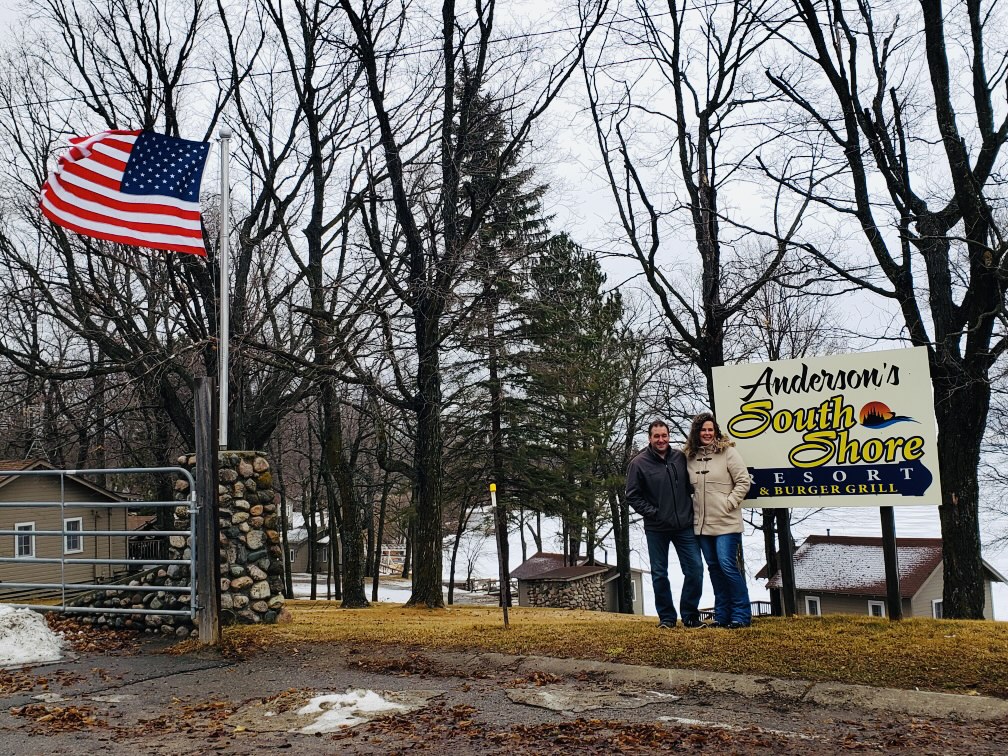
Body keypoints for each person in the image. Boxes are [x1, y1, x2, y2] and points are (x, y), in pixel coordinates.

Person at [626, 419, 704, 629]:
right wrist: (655, 514)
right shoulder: (639, 463)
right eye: (656, 436)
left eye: (664, 436)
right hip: (657, 528)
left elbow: (691, 485)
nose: (661, 440)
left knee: (695, 569)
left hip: (684, 526)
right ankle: (667, 618)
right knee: (660, 574)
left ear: (668, 436)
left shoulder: (680, 457)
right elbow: (632, 496)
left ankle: (689, 615)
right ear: (649, 438)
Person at [685, 411, 752, 629]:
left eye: (710, 430)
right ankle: (722, 616)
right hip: (702, 526)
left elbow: (743, 481)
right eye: (703, 430)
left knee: (727, 565)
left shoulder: (728, 453)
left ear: (715, 432)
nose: (707, 433)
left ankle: (741, 615)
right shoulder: (691, 457)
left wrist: (729, 503)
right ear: (697, 432)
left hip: (726, 523)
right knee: (714, 568)